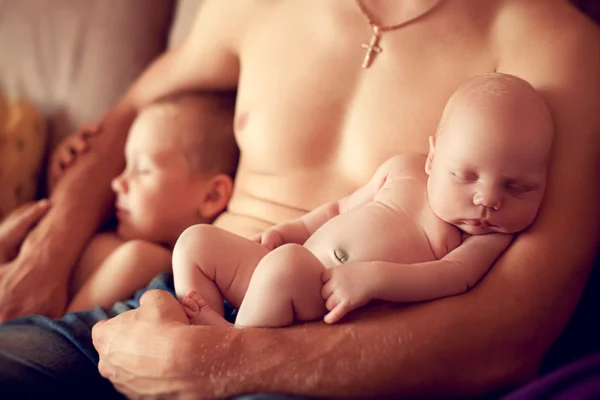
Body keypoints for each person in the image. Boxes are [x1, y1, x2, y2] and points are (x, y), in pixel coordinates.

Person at [0, 0, 598, 398]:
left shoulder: (558, 49)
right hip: (173, 304)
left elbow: (513, 335)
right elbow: (129, 113)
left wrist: (223, 364)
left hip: (339, 357)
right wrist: (45, 258)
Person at [175, 73, 551, 328]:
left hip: (320, 298)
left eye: (518, 187)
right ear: (434, 158)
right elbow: (339, 209)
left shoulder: (486, 238)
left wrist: (375, 279)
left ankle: (231, 345)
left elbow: (454, 277)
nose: (487, 199)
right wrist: (291, 230)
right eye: (465, 176)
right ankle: (201, 322)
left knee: (286, 266)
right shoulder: (403, 169)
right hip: (289, 266)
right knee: (196, 241)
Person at [48, 93, 238, 312]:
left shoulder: (145, 259)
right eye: (126, 165)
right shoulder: (121, 233)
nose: (117, 183)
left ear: (211, 197)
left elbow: (62, 329)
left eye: (142, 170)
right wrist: (62, 176)